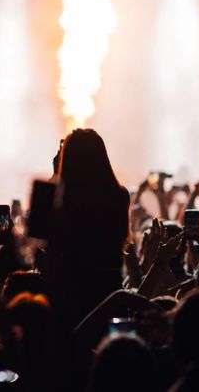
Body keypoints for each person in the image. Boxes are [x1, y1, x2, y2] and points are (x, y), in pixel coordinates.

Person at [58, 129, 130, 319]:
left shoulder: (61, 200)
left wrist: (56, 174)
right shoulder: (119, 196)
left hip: (72, 294)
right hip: (110, 293)